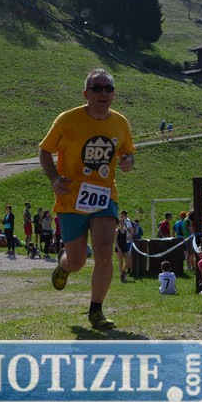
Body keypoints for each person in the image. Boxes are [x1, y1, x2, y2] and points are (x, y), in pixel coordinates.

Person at [39, 68, 136, 330]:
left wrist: (128, 161)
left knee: (104, 252)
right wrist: (54, 179)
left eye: (108, 88)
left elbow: (128, 153)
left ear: (113, 94)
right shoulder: (67, 120)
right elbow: (45, 151)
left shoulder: (120, 122)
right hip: (71, 197)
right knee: (78, 261)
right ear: (86, 94)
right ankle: (64, 265)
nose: (103, 93)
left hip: (105, 196)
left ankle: (96, 311)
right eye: (97, 88)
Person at [116, 210, 135, 283]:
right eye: (121, 222)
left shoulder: (126, 229)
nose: (122, 223)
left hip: (125, 246)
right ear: (119, 223)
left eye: (123, 222)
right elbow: (115, 240)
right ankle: (122, 275)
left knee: (129, 262)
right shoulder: (117, 231)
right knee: (120, 262)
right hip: (119, 248)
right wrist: (118, 248)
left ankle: (123, 271)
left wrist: (130, 238)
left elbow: (131, 232)